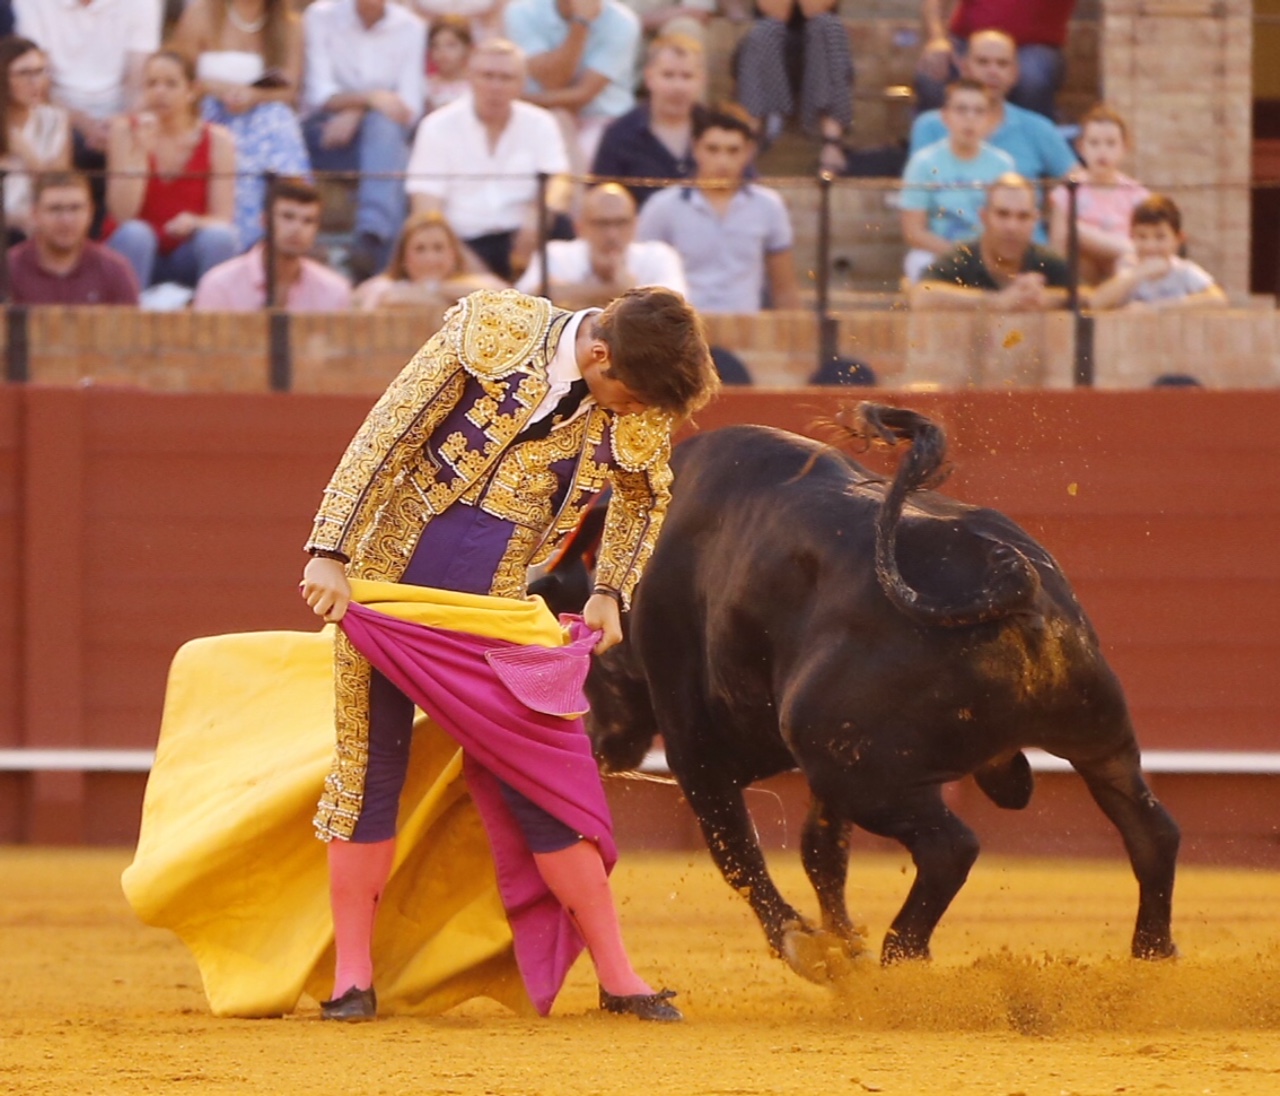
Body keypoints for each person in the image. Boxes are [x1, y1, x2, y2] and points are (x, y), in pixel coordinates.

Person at [300, 284, 721, 1022]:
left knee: (544, 779)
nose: (637, 414)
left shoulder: (635, 393)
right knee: (369, 771)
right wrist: (328, 550)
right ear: (598, 355)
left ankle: (619, 977)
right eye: (630, 397)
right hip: (389, 586)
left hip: (495, 610)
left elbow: (644, 496)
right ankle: (352, 979)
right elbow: (387, 433)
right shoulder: (496, 330)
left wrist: (610, 590)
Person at [405, 38, 572, 282]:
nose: (495, 86)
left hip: (526, 238)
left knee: (562, 227)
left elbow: (560, 184)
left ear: (522, 83)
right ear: (470, 77)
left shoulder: (540, 123)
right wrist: (470, 268)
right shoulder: (436, 127)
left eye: (506, 78)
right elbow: (426, 209)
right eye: (487, 76)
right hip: (463, 243)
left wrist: (537, 218)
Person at [169, 0, 311, 251]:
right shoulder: (200, 15)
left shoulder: (290, 25)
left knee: (278, 119)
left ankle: (286, 218)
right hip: (209, 112)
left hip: (263, 117)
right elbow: (180, 75)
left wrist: (254, 95)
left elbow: (289, 91)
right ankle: (239, 241)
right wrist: (224, 90)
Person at [302, 0, 426, 280]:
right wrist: (371, 99)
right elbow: (317, 92)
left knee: (385, 131)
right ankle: (378, 256)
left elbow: (410, 106)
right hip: (326, 133)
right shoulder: (320, 16)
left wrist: (360, 111)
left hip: (384, 137)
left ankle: (371, 236)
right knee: (393, 154)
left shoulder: (411, 26)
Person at [636, 101, 799, 313]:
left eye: (733, 151)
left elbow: (784, 289)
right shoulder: (662, 207)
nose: (722, 161)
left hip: (746, 326)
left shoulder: (768, 206)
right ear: (695, 148)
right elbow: (642, 282)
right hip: (683, 326)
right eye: (712, 149)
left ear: (748, 151)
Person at [909, 29, 1077, 229]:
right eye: (983, 62)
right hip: (951, 244)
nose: (993, 71)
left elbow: (1079, 183)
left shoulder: (1038, 128)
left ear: (1015, 72)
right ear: (964, 67)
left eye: (1002, 64)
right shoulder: (930, 126)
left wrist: (1058, 218)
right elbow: (917, 199)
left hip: (1023, 243)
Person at [13, 0, 162, 225]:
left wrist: (119, 123)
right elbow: (40, 80)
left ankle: (118, 229)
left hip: (119, 117)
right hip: (56, 108)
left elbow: (139, 80)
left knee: (132, 133)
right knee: (58, 128)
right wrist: (85, 124)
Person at [104, 50, 238, 292]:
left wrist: (195, 222)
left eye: (170, 84)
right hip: (135, 249)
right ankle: (130, 314)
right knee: (136, 234)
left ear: (192, 90)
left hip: (185, 250)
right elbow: (123, 213)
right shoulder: (124, 131)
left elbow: (222, 218)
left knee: (220, 237)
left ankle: (213, 312)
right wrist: (140, 154)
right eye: (152, 84)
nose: (159, 92)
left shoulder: (219, 140)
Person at [899, 78, 1013, 282]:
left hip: (989, 255)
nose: (970, 118)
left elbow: (1008, 223)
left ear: (990, 119)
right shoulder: (923, 163)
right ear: (945, 116)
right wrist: (960, 255)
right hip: (939, 252)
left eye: (979, 111)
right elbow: (913, 231)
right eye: (961, 110)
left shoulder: (1003, 165)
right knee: (919, 262)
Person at [503, 0, 641, 167]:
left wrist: (581, 23)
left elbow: (581, 94)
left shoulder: (623, 22)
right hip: (538, 116)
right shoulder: (522, 11)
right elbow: (552, 77)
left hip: (602, 120)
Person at [908, 172, 1072, 310]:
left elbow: (1082, 294)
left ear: (1034, 220)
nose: (1012, 227)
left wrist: (1045, 298)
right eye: (1002, 214)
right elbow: (921, 295)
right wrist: (997, 301)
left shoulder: (1047, 261)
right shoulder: (962, 256)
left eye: (1023, 216)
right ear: (984, 217)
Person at [193, 174, 352, 310]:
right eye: (287, 217)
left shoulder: (334, 291)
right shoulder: (220, 285)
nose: (297, 228)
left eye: (308, 221)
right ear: (264, 220)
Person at [516, 182, 687, 307]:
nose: (612, 234)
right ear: (580, 227)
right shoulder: (556, 254)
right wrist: (614, 290)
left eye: (621, 223)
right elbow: (525, 301)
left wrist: (572, 293)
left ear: (635, 225)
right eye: (601, 224)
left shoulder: (658, 255)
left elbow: (675, 306)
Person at [732, 0, 853, 174]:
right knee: (766, 29)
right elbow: (776, 11)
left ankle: (832, 142)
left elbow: (814, 8)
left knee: (827, 25)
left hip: (818, 54)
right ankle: (749, 139)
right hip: (767, 49)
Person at [590, 31, 708, 209]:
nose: (678, 86)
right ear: (649, 77)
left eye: (687, 76)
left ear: (701, 80)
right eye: (668, 75)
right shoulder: (619, 135)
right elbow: (602, 201)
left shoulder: (718, 131)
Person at [914, 0, 1078, 120]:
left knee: (1032, 79)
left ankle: (1031, 150)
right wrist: (937, 39)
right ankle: (934, 150)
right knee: (932, 75)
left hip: (1033, 45)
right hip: (967, 41)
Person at [1048, 103, 1149, 286]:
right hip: (1080, 274)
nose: (1102, 151)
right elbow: (1058, 248)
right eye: (1094, 143)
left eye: (1111, 144)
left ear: (1125, 147)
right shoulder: (1068, 193)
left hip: (1121, 270)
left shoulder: (1137, 196)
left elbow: (1144, 245)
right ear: (1081, 147)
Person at [7, 170, 140, 304]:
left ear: (91, 212)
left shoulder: (114, 270)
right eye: (55, 209)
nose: (66, 220)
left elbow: (132, 317)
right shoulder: (9, 269)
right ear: (35, 214)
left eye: (75, 208)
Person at [1090, 194, 1228, 312]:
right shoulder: (1127, 267)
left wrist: (1156, 308)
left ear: (1178, 239)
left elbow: (1218, 300)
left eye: (1160, 237)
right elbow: (1096, 303)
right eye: (1142, 237)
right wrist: (1140, 272)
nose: (1150, 246)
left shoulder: (1184, 271)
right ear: (1132, 237)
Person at [352, 208, 505, 310]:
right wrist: (451, 299)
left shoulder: (482, 282)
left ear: (454, 254)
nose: (430, 258)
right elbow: (387, 299)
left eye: (438, 248)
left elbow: (499, 299)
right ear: (403, 257)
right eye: (420, 249)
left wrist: (433, 289)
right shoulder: (382, 285)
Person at [0, 36, 71, 241]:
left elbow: (58, 188)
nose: (35, 82)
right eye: (24, 73)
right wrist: (12, 219)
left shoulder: (55, 120)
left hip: (35, 230)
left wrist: (26, 153)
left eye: (40, 71)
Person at [424, 15, 474, 112]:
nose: (442, 52)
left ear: (467, 48)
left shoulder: (475, 85)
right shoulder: (425, 86)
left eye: (451, 45)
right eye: (435, 46)